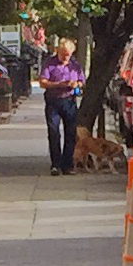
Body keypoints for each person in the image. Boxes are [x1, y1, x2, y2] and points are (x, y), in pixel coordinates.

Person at [41, 39, 83, 175]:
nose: (66, 57)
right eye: (64, 54)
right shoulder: (50, 63)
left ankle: (67, 164)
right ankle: (55, 164)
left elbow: (82, 81)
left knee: (70, 133)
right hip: (53, 100)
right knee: (54, 132)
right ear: (58, 51)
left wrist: (76, 84)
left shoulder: (75, 65)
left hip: (69, 100)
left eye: (69, 54)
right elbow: (43, 82)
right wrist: (59, 84)